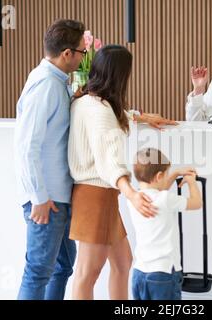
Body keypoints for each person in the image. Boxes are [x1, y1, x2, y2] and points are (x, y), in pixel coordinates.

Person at [68, 45, 176, 300]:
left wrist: (145, 117)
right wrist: (133, 194)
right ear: (119, 75)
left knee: (123, 262)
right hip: (95, 196)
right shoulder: (100, 111)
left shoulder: (87, 101)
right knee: (87, 273)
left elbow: (117, 115)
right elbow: (111, 162)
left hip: (100, 195)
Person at [14, 19, 86, 300]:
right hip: (47, 199)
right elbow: (26, 146)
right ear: (67, 53)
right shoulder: (45, 84)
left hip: (59, 197)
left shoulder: (57, 83)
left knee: (63, 267)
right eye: (81, 51)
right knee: (38, 272)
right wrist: (39, 197)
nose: (83, 57)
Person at [128, 148, 202, 300]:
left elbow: (158, 190)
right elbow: (197, 203)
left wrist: (174, 174)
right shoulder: (166, 199)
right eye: (167, 174)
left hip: (139, 273)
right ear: (159, 176)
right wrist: (191, 183)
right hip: (163, 274)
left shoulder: (135, 201)